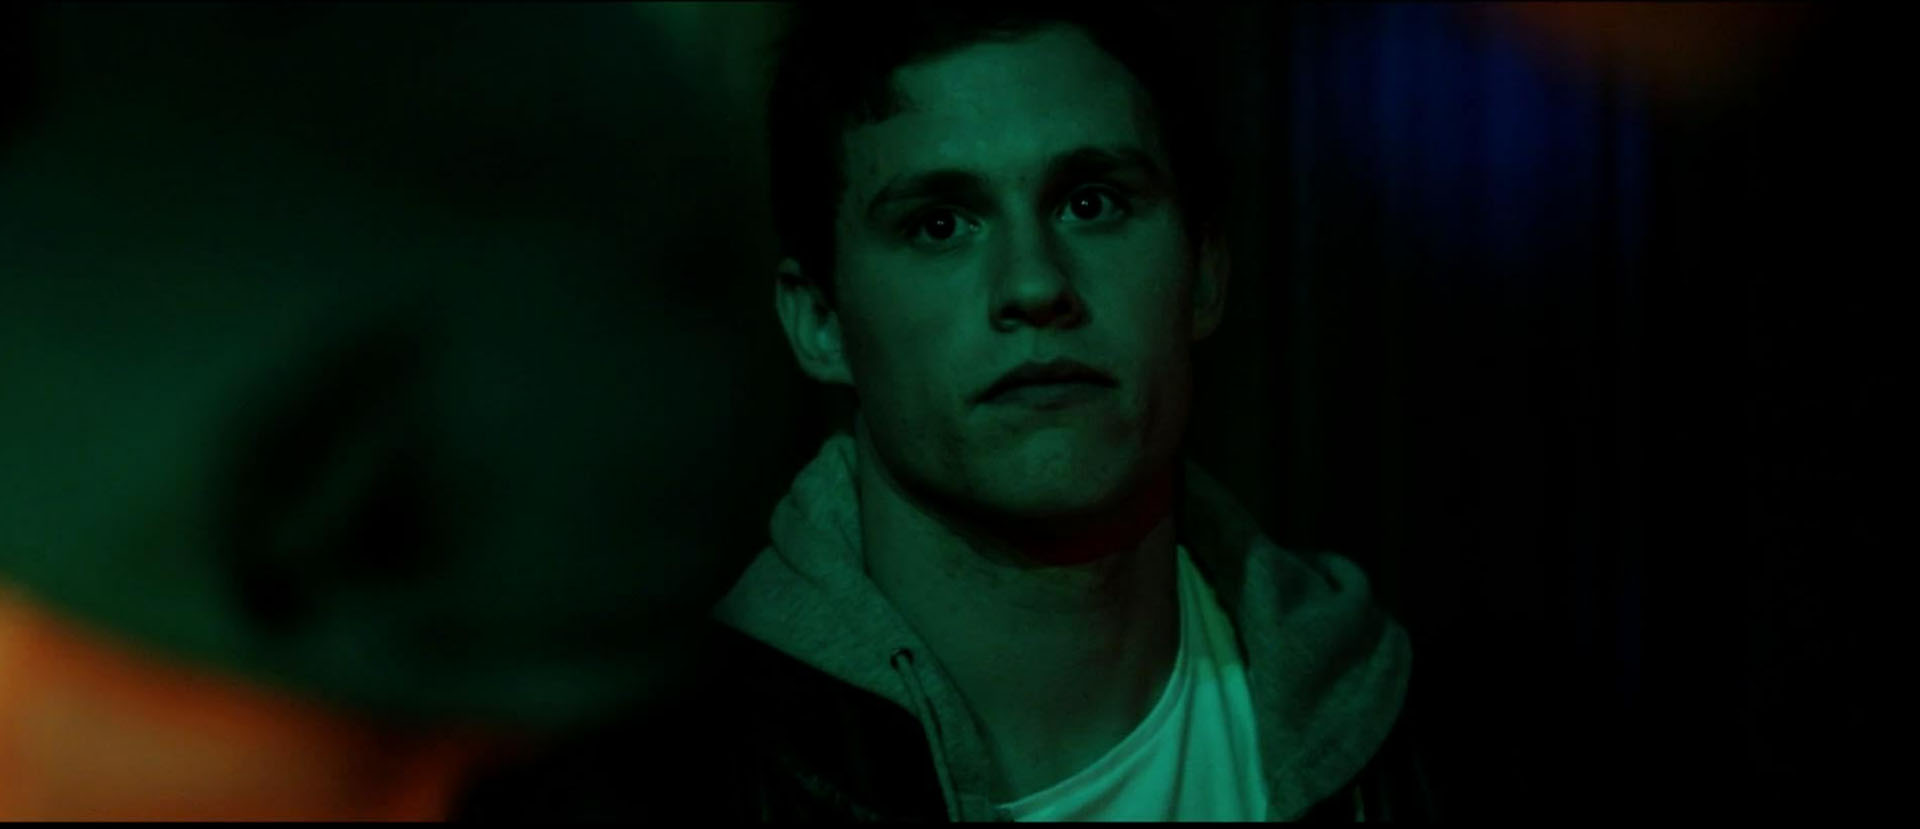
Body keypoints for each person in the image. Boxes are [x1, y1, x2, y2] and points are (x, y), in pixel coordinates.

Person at [455, 4, 1436, 822]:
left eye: (1092, 201)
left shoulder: (1426, 738)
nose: (1035, 284)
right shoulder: (648, 785)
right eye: (939, 224)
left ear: (1205, 274)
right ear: (818, 320)